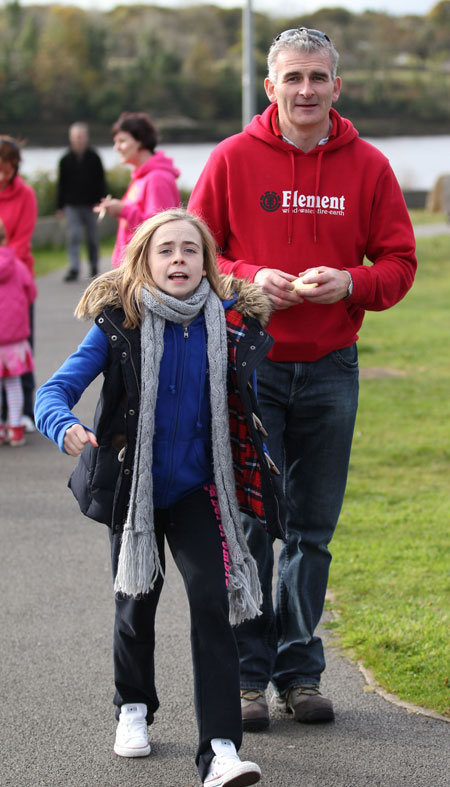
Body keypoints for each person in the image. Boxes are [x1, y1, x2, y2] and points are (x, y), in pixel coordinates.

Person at [188, 26, 417, 729]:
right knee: (253, 526)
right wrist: (254, 280)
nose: (306, 90)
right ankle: (249, 677)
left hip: (330, 369)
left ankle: (299, 668)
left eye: (318, 77)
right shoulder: (231, 159)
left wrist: (349, 281)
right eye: (293, 78)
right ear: (271, 86)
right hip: (249, 367)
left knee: (312, 532)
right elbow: (196, 255)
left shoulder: (370, 167)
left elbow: (399, 264)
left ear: (336, 86)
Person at [35, 208, 285, 787]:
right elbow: (55, 390)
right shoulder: (118, 324)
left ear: (207, 262)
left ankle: (220, 748)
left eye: (190, 250)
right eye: (166, 250)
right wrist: (62, 426)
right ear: (144, 260)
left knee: (211, 603)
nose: (179, 260)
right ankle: (133, 708)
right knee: (135, 601)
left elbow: (245, 407)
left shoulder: (229, 325)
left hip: (201, 490)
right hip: (135, 487)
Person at [95, 111, 181, 268]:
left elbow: (160, 229)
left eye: (121, 141)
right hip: (134, 267)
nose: (116, 147)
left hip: (145, 270)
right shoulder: (141, 177)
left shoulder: (157, 178)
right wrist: (117, 209)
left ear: (140, 141)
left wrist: (123, 210)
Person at [0, 135, 38, 429]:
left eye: (7, 168)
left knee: (21, 347)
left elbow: (21, 241)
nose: (2, 175)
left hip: (16, 275)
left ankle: (23, 409)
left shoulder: (25, 194)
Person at [0, 219, 37, 446]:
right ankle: (16, 428)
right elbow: (31, 293)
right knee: (13, 383)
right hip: (14, 340)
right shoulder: (18, 265)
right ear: (5, 237)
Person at [57, 122, 107, 281]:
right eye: (76, 137)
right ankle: (74, 267)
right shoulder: (65, 160)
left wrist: (102, 202)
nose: (79, 140)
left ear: (86, 138)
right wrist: (59, 206)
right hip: (72, 205)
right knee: (73, 236)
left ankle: (94, 266)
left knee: (92, 237)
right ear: (71, 138)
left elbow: (101, 181)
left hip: (91, 204)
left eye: (81, 136)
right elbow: (61, 184)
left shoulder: (94, 158)